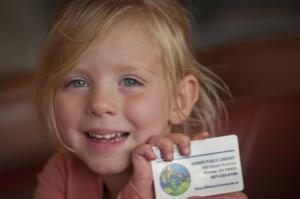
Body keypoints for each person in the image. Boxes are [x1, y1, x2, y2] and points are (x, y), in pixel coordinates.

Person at [34, 0, 247, 198]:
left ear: (179, 99)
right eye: (77, 82)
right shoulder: (61, 173)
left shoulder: (205, 184)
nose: (99, 104)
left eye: (130, 81)